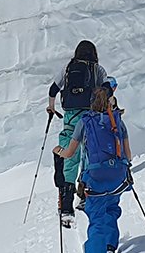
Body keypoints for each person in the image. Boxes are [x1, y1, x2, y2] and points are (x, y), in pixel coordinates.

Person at [55, 83, 131, 253]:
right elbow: (128, 154)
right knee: (111, 212)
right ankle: (109, 252)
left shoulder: (84, 121)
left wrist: (58, 151)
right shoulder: (117, 120)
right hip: (116, 177)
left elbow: (70, 153)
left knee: (96, 219)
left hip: (95, 178)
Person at [46, 40, 111, 228]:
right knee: (90, 155)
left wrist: (51, 108)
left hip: (70, 117)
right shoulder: (97, 69)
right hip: (91, 116)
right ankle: (85, 195)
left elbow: (53, 89)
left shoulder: (68, 68)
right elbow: (106, 88)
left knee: (70, 155)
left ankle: (66, 206)